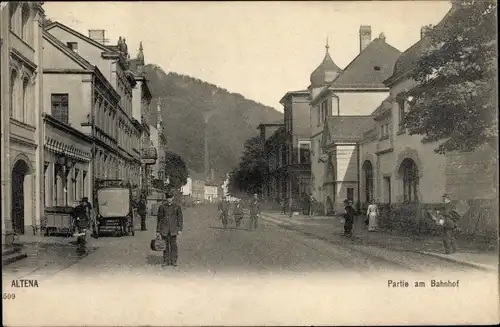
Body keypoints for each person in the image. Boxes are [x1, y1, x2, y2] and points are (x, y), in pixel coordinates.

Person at [156, 191, 183, 267]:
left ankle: (174, 261)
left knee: (174, 246)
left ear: (173, 198)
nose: (169, 199)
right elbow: (159, 220)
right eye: (168, 198)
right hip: (164, 230)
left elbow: (180, 219)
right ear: (166, 198)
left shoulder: (177, 207)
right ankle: (166, 261)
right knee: (165, 246)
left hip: (173, 230)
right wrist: (158, 231)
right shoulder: (162, 207)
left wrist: (180, 229)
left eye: (170, 198)